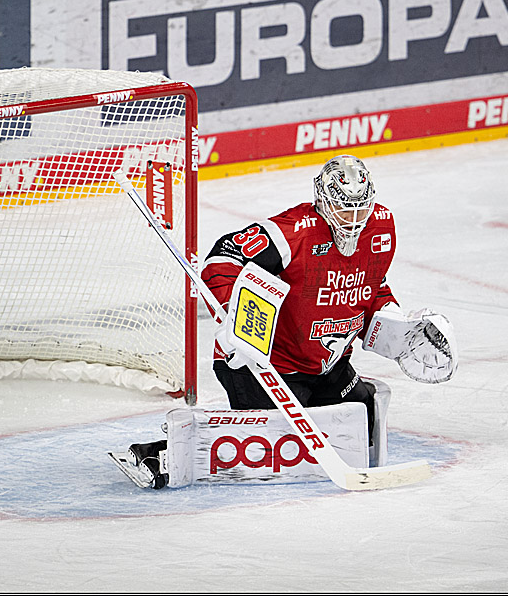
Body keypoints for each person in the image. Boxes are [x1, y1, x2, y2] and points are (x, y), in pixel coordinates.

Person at [119, 155, 457, 488]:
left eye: (361, 207)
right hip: (262, 363)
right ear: (322, 201)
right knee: (272, 446)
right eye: (342, 208)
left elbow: (373, 285)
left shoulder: (382, 227)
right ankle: (159, 455)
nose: (353, 219)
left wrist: (397, 327)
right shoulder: (292, 231)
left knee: (362, 415)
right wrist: (234, 319)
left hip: (327, 364)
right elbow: (221, 260)